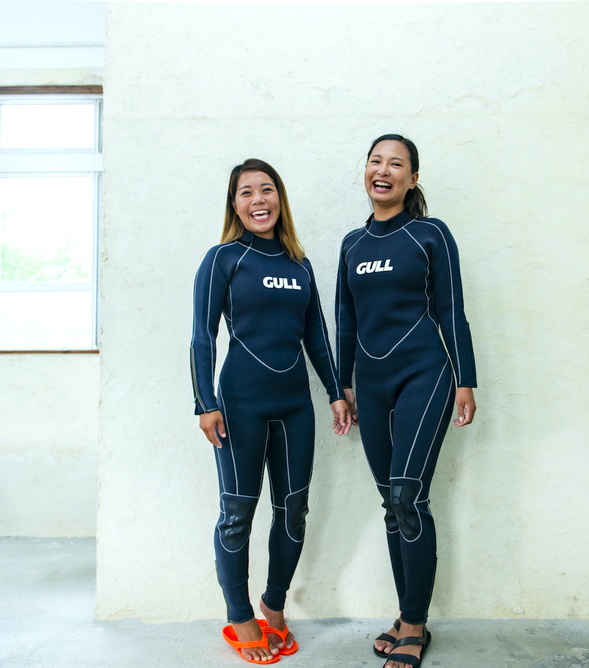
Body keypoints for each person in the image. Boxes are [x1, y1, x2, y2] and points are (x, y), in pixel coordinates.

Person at [191, 159, 352, 664]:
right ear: (234, 204)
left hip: (295, 407)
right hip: (239, 406)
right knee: (237, 513)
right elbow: (201, 336)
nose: (258, 200)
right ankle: (240, 616)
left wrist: (335, 392)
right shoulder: (223, 259)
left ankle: (273, 604)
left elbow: (316, 335)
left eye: (267, 190)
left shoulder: (299, 264)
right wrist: (205, 403)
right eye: (247, 192)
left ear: (279, 198)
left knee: (294, 511)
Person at [335, 135, 477, 668]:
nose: (383, 170)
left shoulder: (430, 234)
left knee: (408, 497)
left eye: (396, 164)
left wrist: (466, 379)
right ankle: (405, 612)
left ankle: (415, 624)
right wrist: (342, 386)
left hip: (425, 375)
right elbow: (345, 319)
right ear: (366, 172)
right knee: (391, 505)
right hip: (370, 385)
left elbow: (452, 308)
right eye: (376, 161)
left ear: (412, 179)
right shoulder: (352, 244)